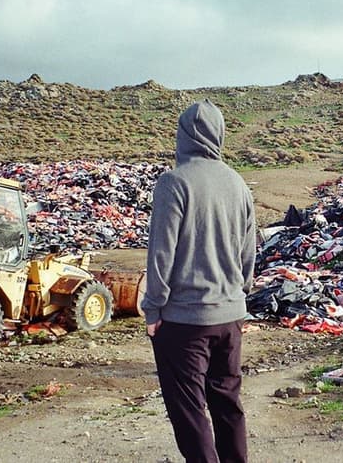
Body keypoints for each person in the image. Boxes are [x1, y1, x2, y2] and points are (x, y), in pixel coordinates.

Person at [141, 99, 256, 463]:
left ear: (183, 136)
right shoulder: (238, 184)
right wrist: (239, 295)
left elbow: (162, 253)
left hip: (184, 321)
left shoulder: (173, 183)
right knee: (227, 404)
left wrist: (153, 308)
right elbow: (248, 251)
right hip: (230, 318)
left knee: (190, 412)